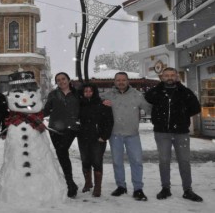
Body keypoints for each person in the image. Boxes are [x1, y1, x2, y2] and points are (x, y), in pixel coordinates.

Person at [0, 71, 67, 205]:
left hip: (35, 133)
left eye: (29, 95)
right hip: (16, 132)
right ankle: (15, 191)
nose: (24, 100)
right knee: (14, 161)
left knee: (41, 158)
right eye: (18, 95)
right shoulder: (13, 118)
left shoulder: (37, 121)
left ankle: (44, 190)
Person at [144, 67, 203, 202]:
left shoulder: (185, 92)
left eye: (172, 75)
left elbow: (196, 108)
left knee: (184, 161)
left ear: (176, 76)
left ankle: (187, 190)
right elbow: (146, 100)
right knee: (164, 161)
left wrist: (181, 117)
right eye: (166, 75)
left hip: (181, 133)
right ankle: (166, 188)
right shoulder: (155, 92)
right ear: (161, 77)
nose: (169, 77)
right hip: (161, 132)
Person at [101, 72, 151, 201]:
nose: (121, 82)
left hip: (132, 135)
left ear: (128, 81)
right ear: (114, 81)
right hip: (115, 134)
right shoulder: (107, 95)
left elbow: (149, 109)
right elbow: (93, 105)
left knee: (137, 162)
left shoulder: (137, 95)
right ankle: (121, 186)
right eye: (118, 80)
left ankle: (138, 189)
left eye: (123, 80)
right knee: (117, 162)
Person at [43, 72, 80, 198]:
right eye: (58, 80)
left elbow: (86, 107)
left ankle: (70, 183)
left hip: (72, 128)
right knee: (61, 154)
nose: (61, 81)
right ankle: (70, 183)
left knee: (62, 150)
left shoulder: (77, 94)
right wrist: (31, 115)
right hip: (55, 129)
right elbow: (46, 110)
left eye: (63, 79)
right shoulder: (53, 94)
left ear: (69, 80)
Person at [78, 83, 114, 197]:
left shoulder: (102, 104)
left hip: (98, 139)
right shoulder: (79, 105)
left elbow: (109, 122)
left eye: (90, 91)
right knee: (85, 161)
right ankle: (88, 183)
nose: (88, 93)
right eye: (85, 91)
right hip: (83, 138)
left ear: (94, 92)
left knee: (97, 162)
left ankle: (98, 187)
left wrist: (104, 136)